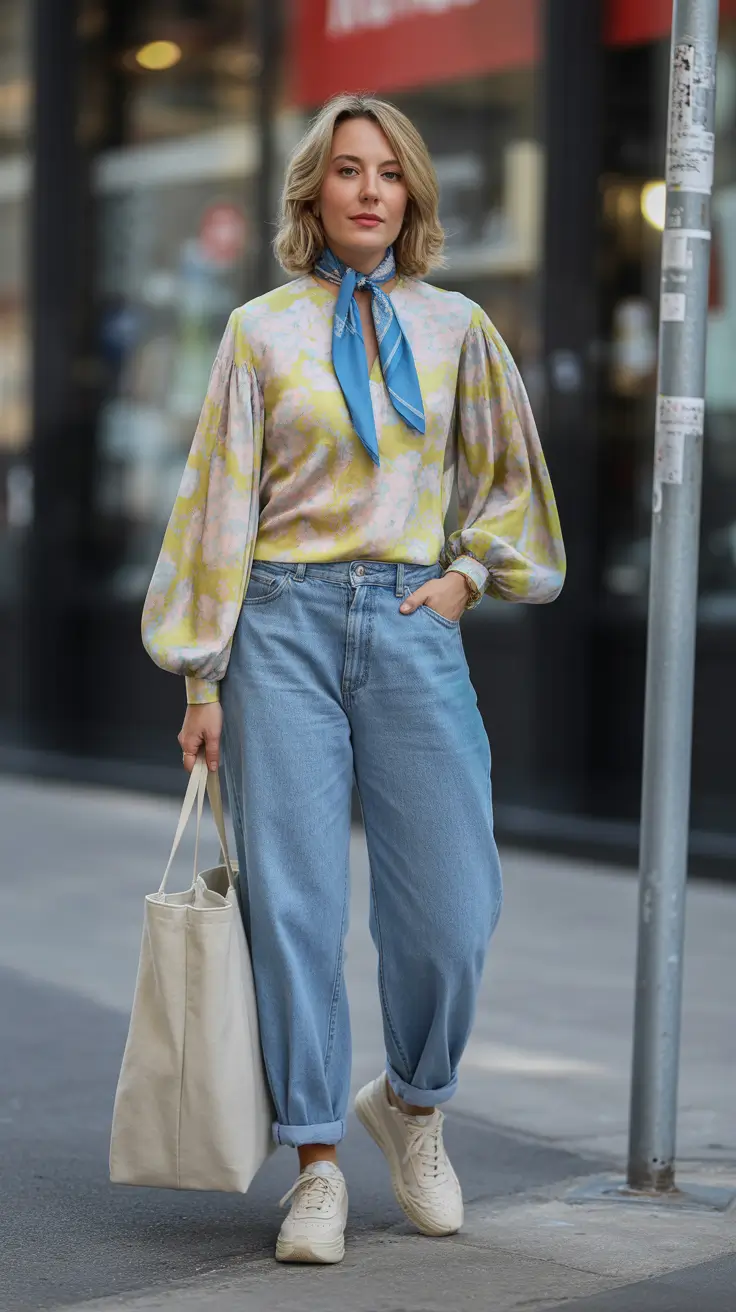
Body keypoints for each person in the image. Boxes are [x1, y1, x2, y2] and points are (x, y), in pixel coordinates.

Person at [142, 93, 565, 1266]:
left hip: (410, 620)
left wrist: (469, 578)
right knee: (293, 911)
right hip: (278, 625)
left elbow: (509, 490)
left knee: (451, 909)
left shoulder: (457, 328)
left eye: (388, 171)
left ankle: (414, 1106)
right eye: (346, 171)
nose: (369, 189)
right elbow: (216, 505)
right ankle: (317, 1159)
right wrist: (199, 678)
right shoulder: (259, 331)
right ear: (312, 194)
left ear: (412, 193)